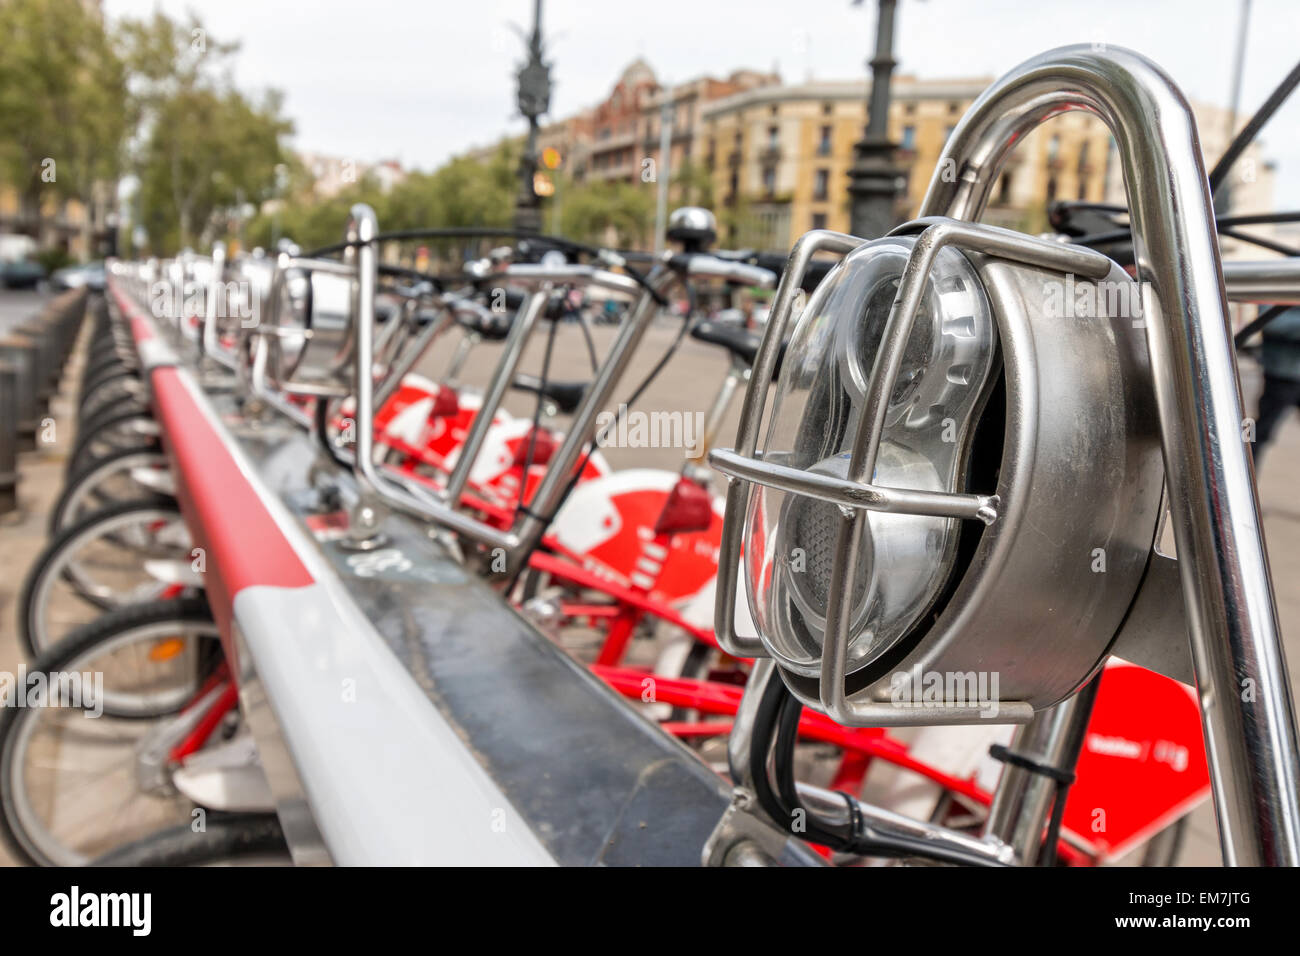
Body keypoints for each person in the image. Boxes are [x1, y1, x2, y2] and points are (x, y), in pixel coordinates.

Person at [1253, 306, 1300, 461]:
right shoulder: (1279, 284)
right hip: (1280, 375)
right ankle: (1241, 471)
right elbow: (1271, 321)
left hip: (1287, 371)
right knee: (1258, 434)